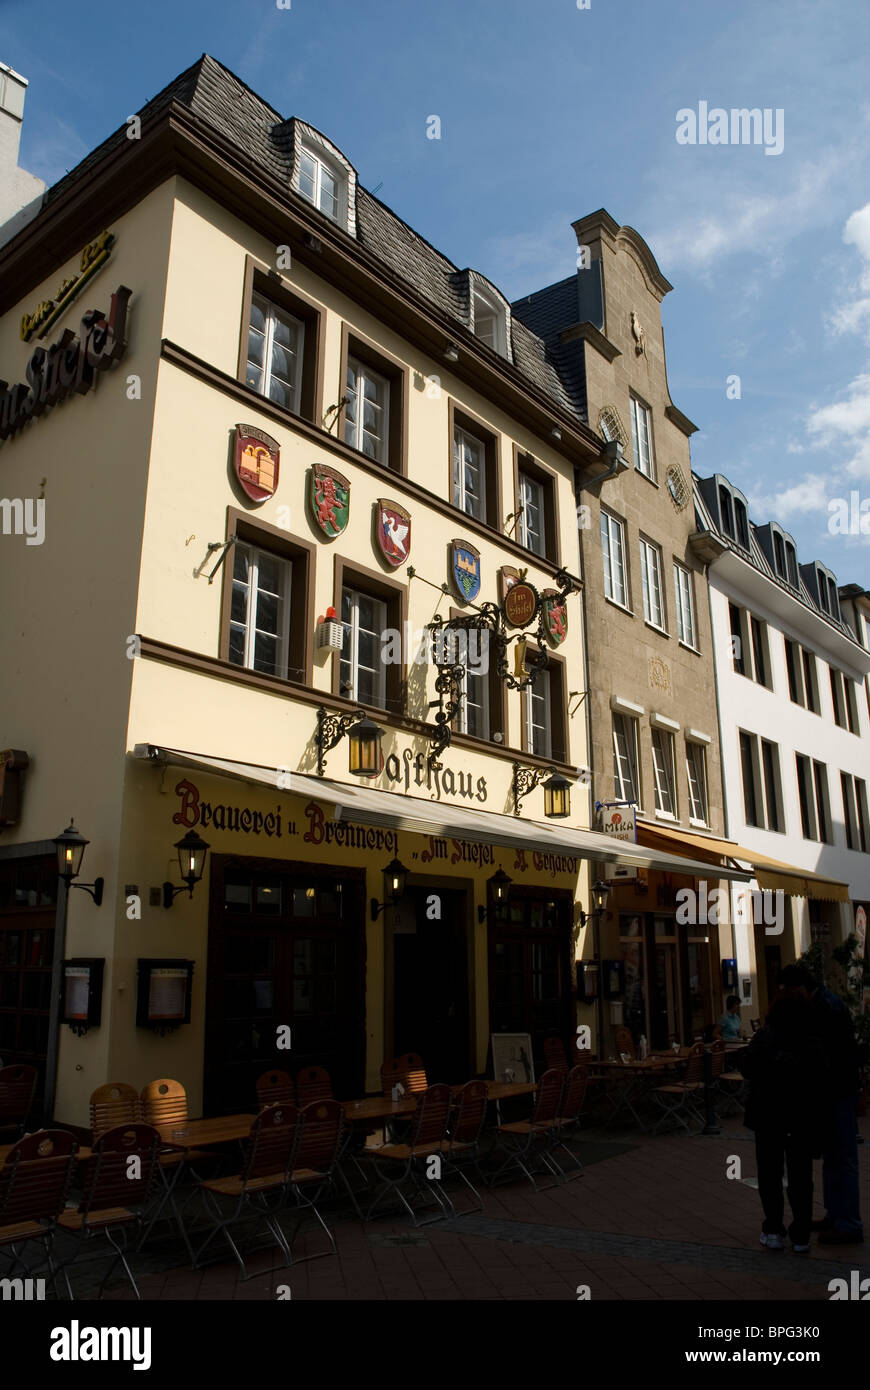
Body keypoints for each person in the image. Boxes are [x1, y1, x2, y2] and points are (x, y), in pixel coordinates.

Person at [738, 991, 832, 1252]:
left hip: (768, 1116)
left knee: (770, 1173)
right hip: (801, 1117)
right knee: (801, 1175)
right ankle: (801, 1233)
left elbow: (747, 1067)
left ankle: (774, 1229)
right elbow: (822, 1077)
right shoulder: (811, 1040)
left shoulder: (765, 1037)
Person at [778, 962, 864, 1245]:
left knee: (842, 1157)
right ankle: (834, 1214)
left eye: (788, 990)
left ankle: (848, 1223)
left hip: (837, 1093)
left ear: (801, 988)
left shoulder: (826, 1008)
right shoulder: (826, 1003)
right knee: (832, 1157)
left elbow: (830, 1057)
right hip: (834, 1092)